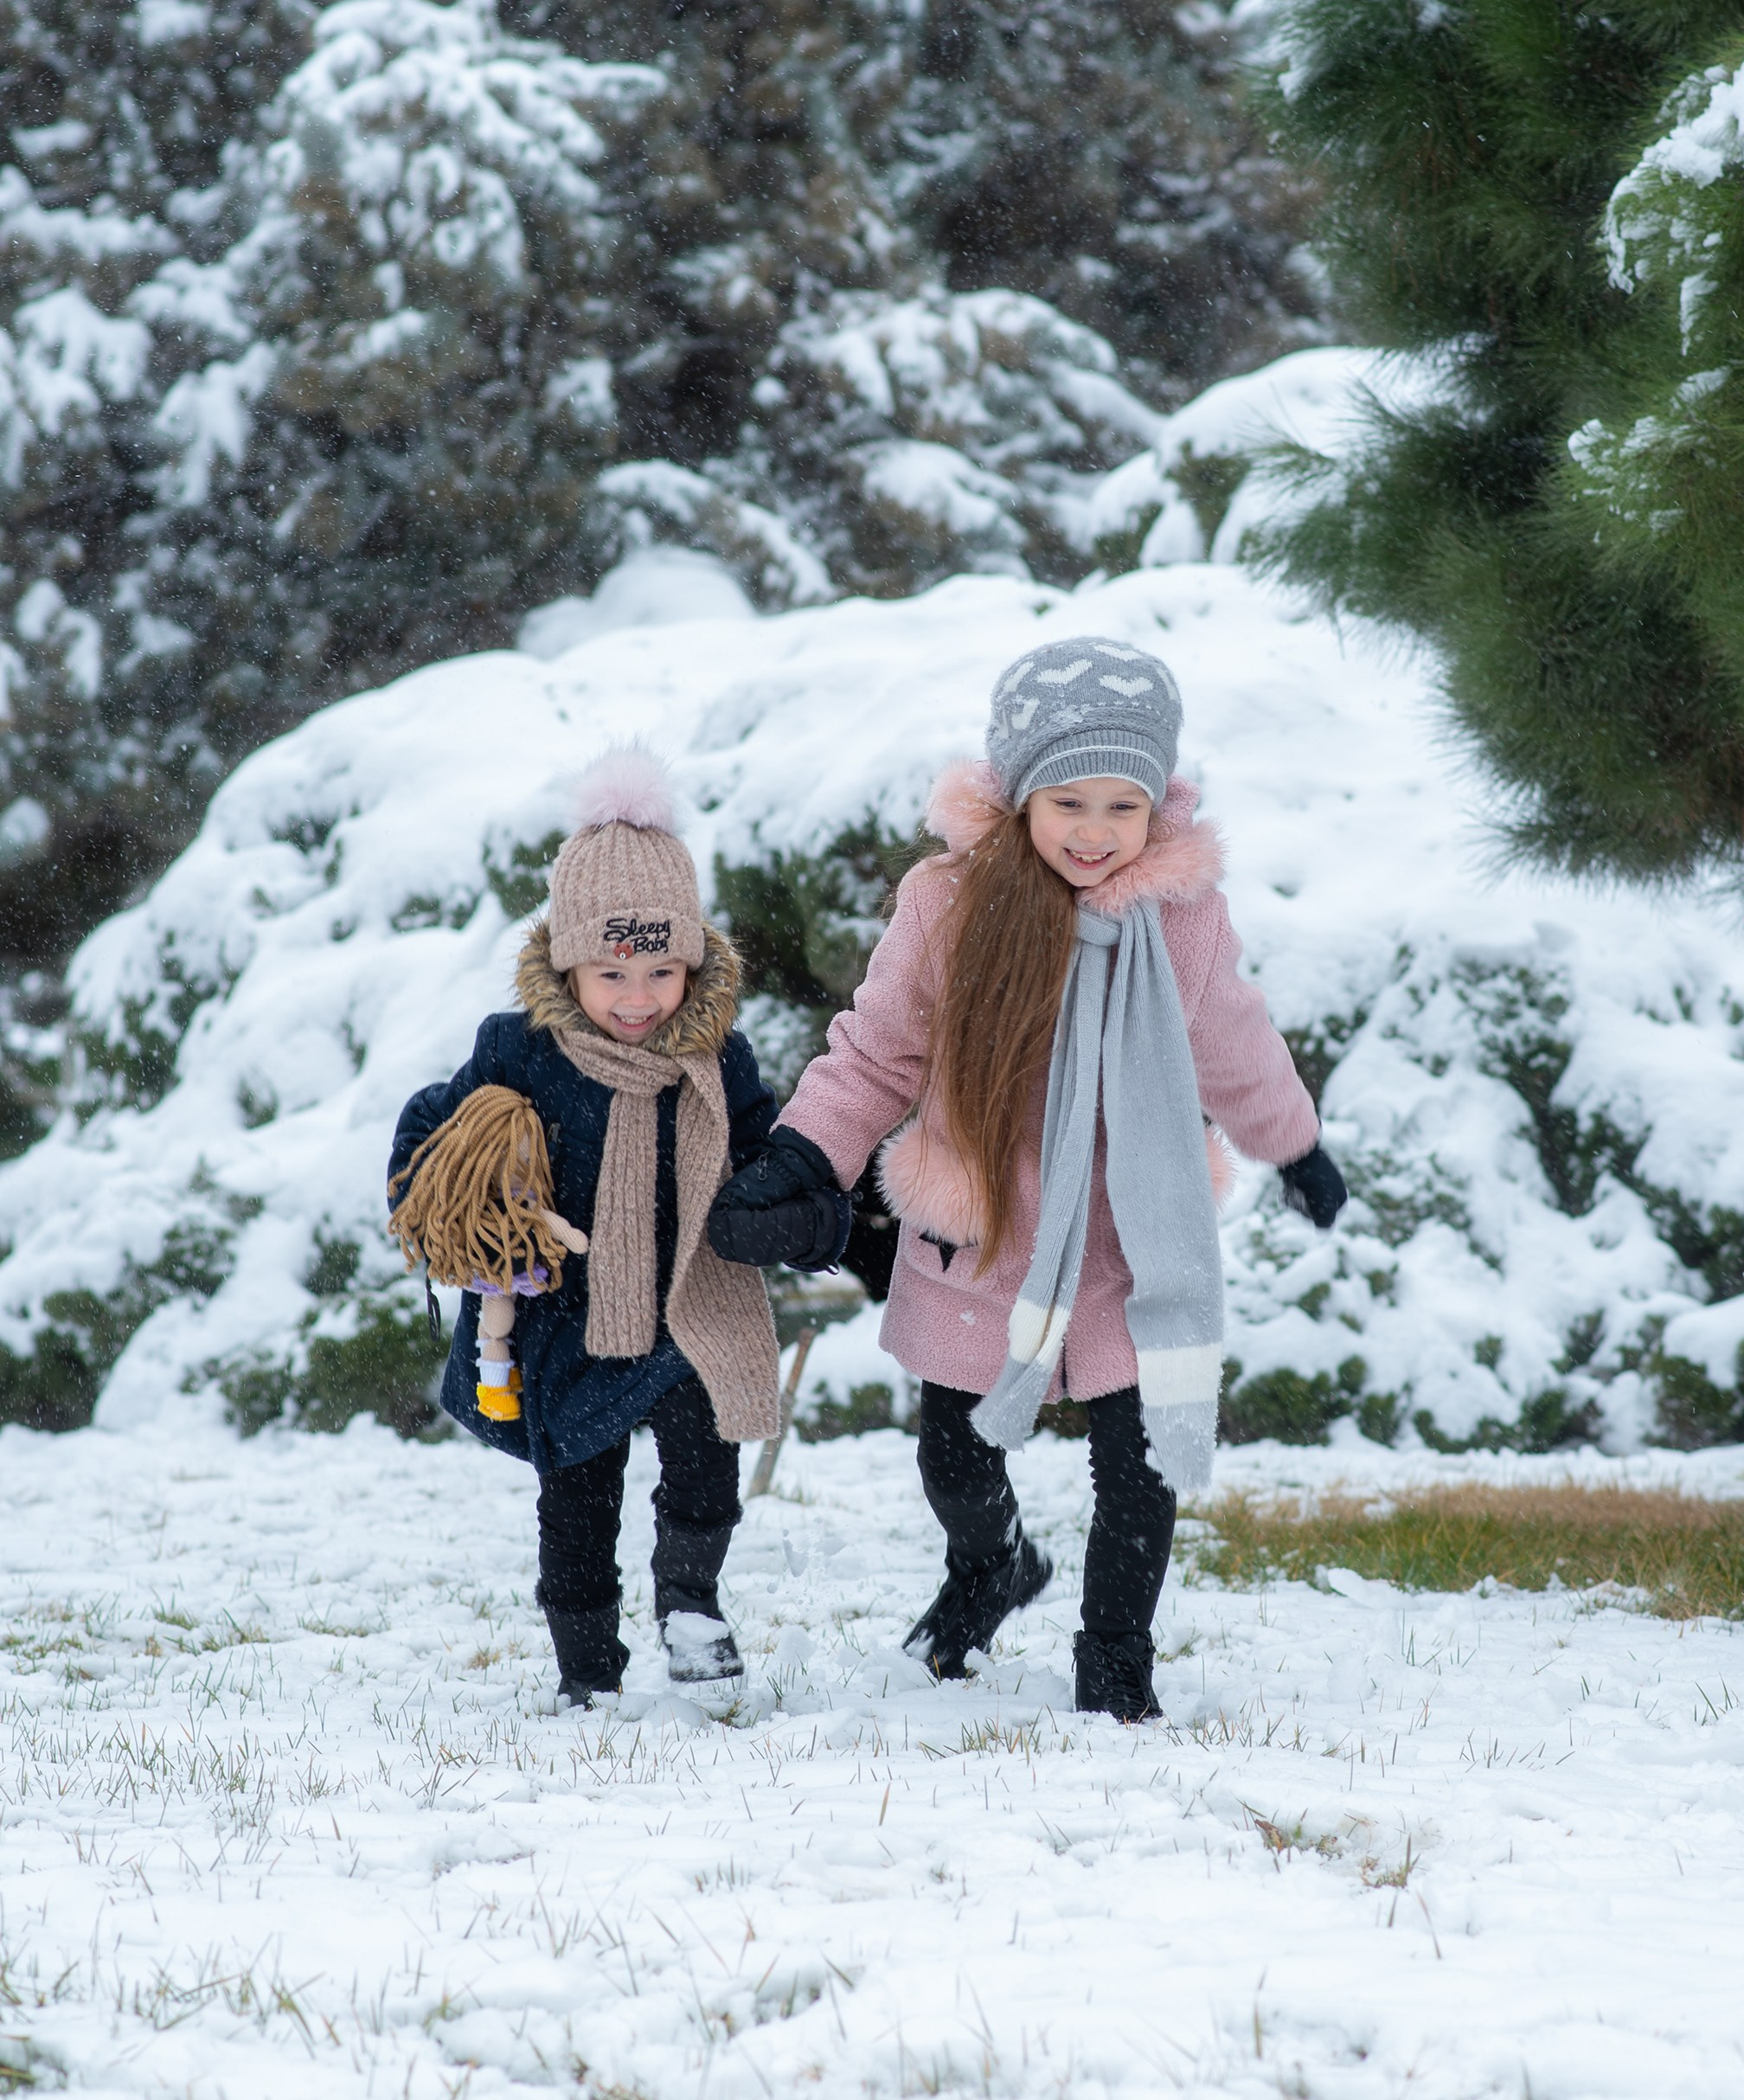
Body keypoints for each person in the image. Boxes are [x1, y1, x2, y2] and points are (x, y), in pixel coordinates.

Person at [707, 639, 1346, 1722]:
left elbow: (1231, 1037)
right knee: (954, 1463)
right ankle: (990, 1566)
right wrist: (804, 1154)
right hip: (984, 1230)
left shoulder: (1180, 921)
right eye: (1069, 802)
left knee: (1137, 1476)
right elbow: (878, 1053)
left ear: (1159, 809)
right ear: (1019, 795)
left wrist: (1293, 1141)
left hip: (1127, 1239)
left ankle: (1115, 1663)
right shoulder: (951, 905)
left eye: (1122, 806)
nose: (1096, 834)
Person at [388, 748, 848, 1709]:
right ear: (568, 963)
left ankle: (690, 1601)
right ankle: (586, 1668)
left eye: (661, 969)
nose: (637, 998)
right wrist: (454, 1199)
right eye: (612, 972)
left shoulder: (721, 1058)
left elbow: (774, 1153)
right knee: (577, 1500)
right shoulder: (517, 1052)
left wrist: (790, 1210)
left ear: (694, 962)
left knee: (704, 1463)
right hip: (565, 1315)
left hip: (689, 1302)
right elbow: (433, 1138)